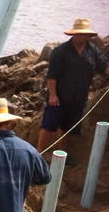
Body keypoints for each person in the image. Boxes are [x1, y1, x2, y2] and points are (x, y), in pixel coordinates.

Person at [36, 18, 109, 166]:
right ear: (73, 34)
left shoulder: (93, 51)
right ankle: (39, 155)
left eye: (82, 34)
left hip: (78, 99)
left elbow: (104, 67)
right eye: (77, 34)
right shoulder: (60, 51)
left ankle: (62, 155)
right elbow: (52, 75)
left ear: (88, 36)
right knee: (49, 125)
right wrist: (53, 95)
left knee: (67, 128)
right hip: (59, 97)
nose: (79, 37)